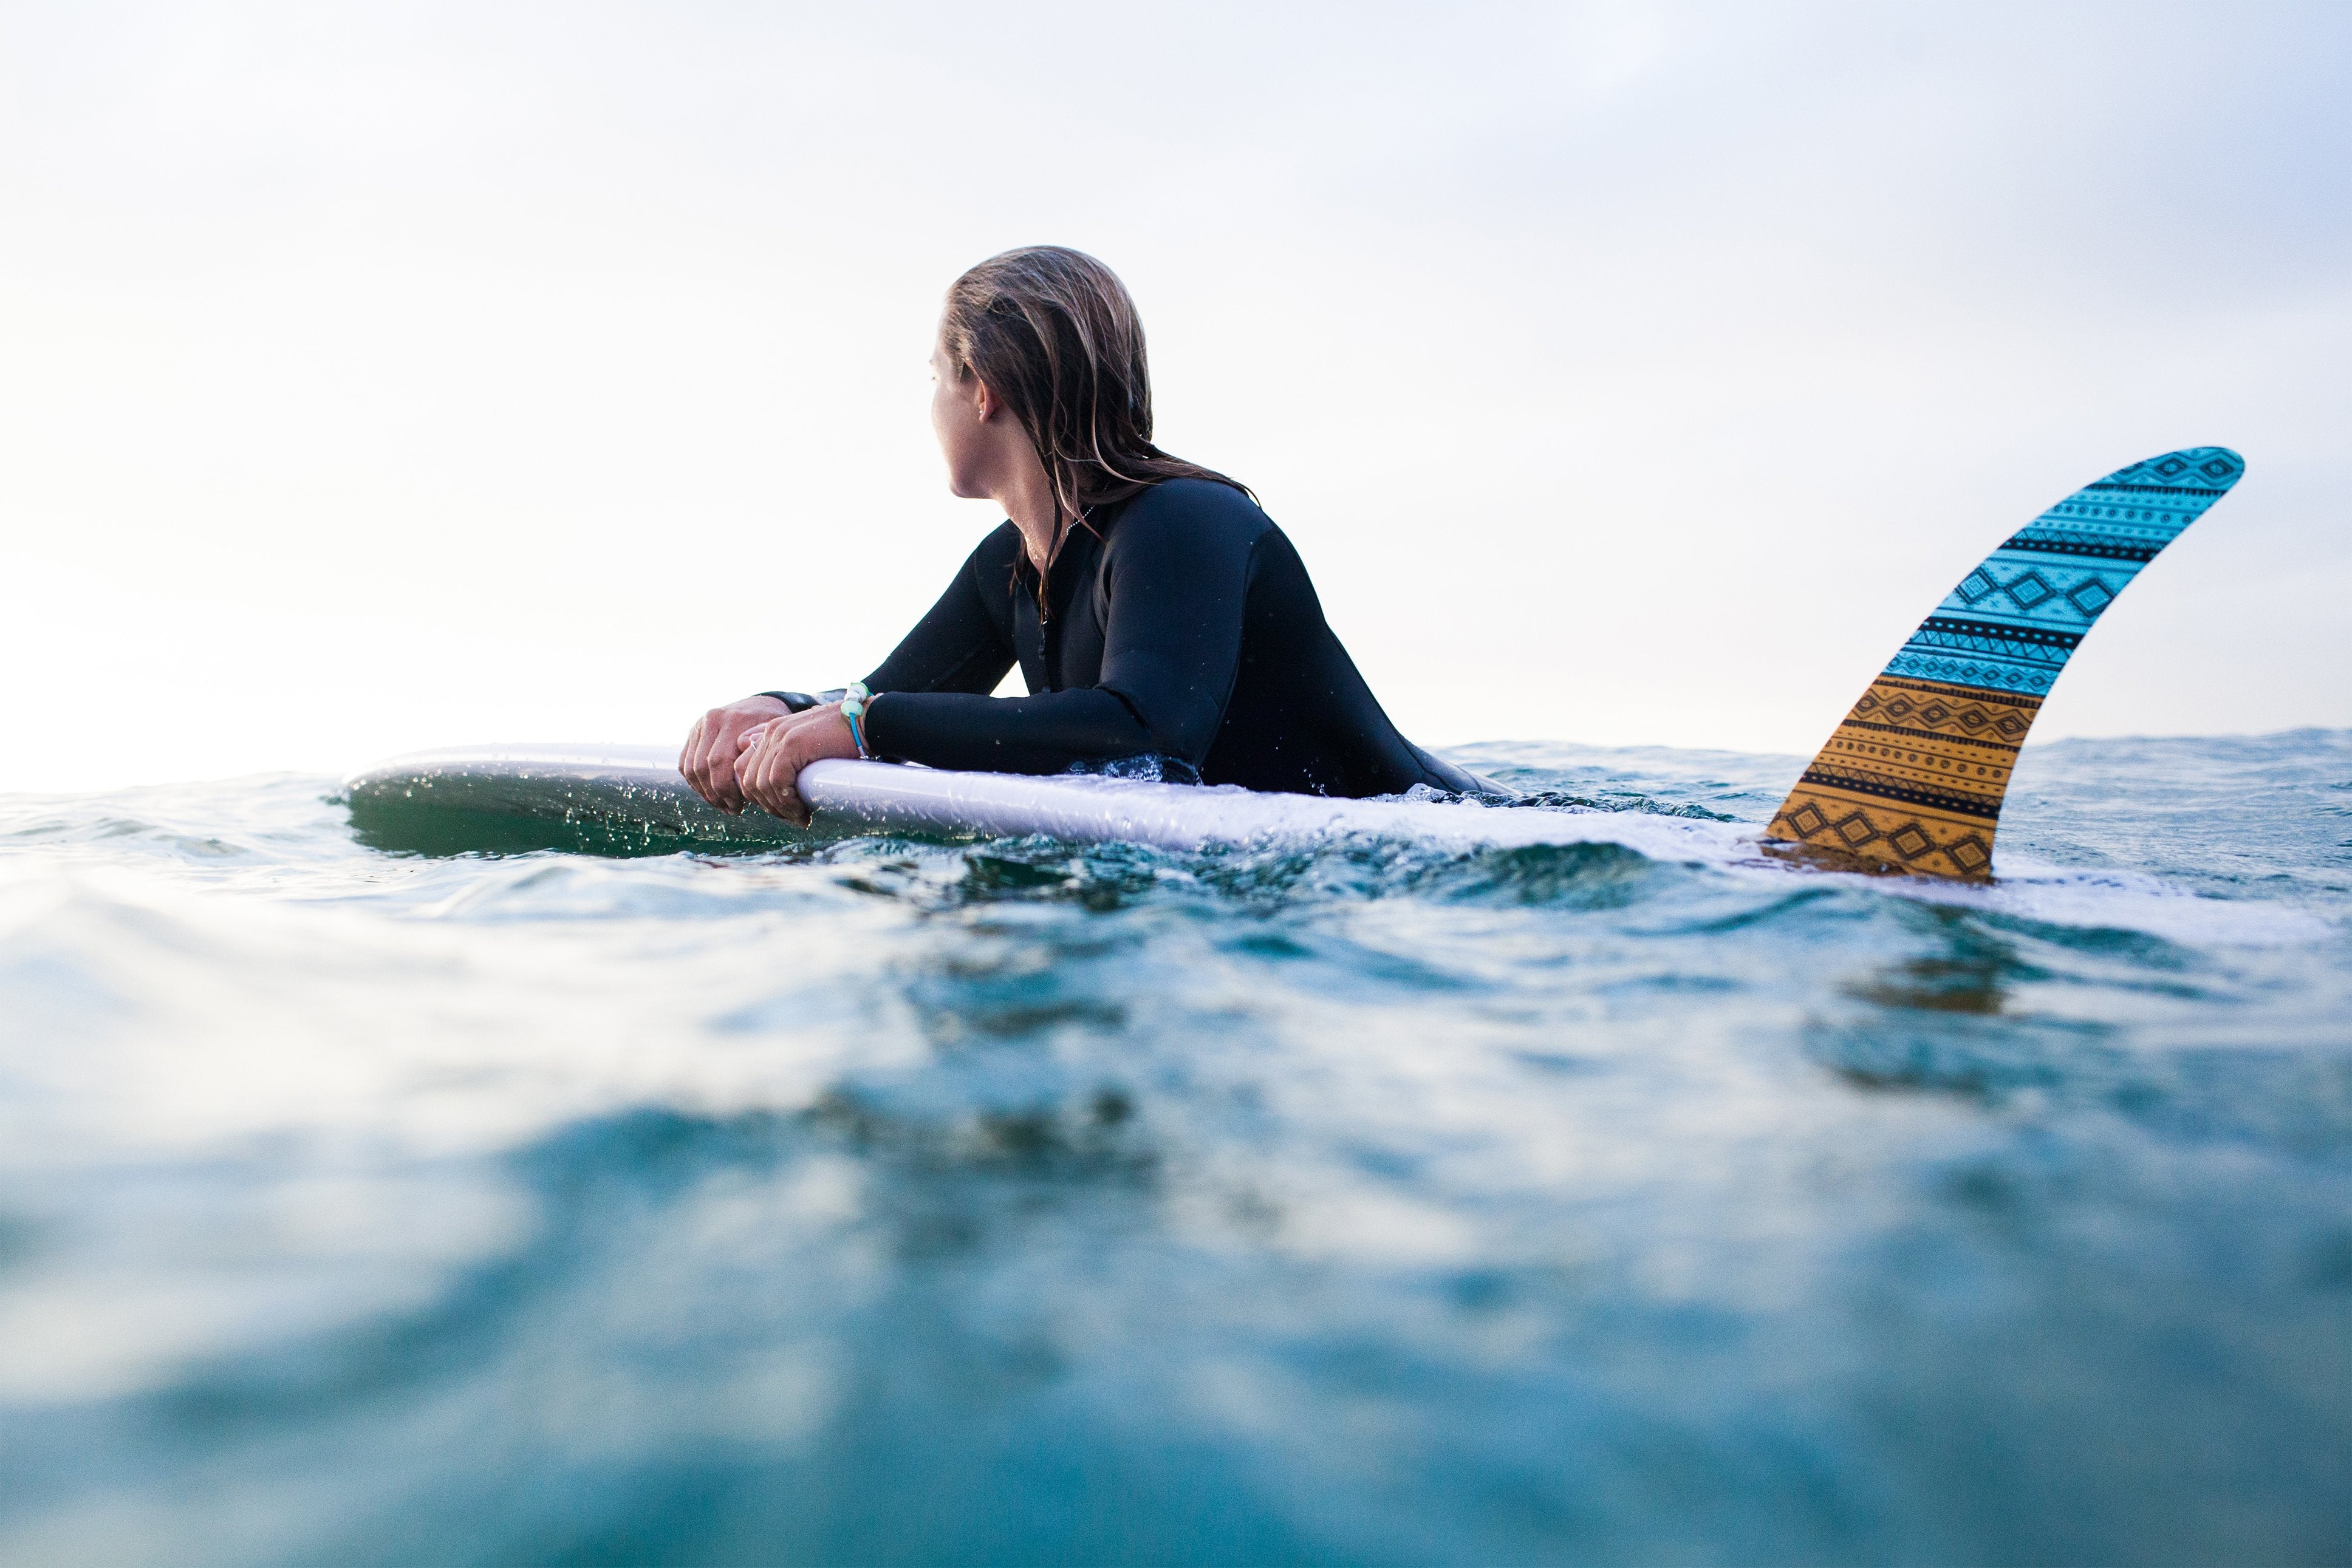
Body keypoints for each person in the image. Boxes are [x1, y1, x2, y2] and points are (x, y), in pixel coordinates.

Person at [679, 245, 1494, 827]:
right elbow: (887, 693)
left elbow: (1148, 731)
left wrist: (861, 726)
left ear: (984, 391)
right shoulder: (1013, 564)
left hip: (1454, 846)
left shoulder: (1182, 522)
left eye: (936, 378)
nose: (932, 404)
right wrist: (779, 709)